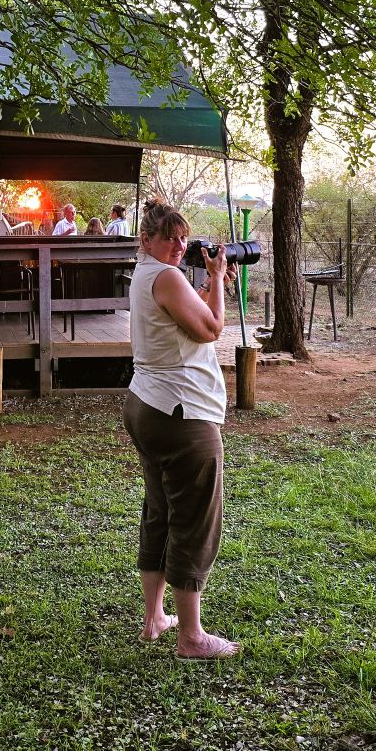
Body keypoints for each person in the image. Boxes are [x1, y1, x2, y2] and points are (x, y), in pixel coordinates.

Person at [122, 200, 239, 660]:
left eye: (183, 237)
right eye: (168, 237)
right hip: (181, 413)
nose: (178, 245)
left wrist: (212, 284)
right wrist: (216, 283)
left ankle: (154, 618)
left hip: (148, 403)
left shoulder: (146, 274)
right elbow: (212, 329)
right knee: (193, 518)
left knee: (160, 511)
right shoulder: (167, 276)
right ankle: (191, 635)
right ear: (147, 240)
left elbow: (190, 321)